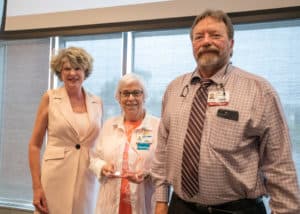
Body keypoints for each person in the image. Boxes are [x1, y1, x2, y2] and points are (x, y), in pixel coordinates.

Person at [151, 9, 300, 214]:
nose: (206, 41)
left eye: (215, 35)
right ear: (192, 45)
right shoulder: (174, 89)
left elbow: (280, 165)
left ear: (231, 44)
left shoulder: (259, 91)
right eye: (199, 37)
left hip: (237, 209)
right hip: (180, 207)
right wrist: (161, 200)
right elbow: (162, 153)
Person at [28, 47, 103, 214]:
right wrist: (36, 187)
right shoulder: (50, 98)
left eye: (77, 68)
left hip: (87, 178)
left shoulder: (97, 102)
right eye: (67, 68)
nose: (72, 73)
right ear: (59, 72)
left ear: (85, 71)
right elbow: (34, 145)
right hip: (55, 178)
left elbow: (100, 145)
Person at [89, 73, 160, 214]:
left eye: (136, 93)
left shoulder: (158, 126)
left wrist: (147, 174)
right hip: (110, 203)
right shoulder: (109, 125)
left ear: (144, 96)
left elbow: (167, 166)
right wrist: (103, 167)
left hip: (144, 202)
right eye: (125, 93)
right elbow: (94, 158)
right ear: (118, 98)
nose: (131, 98)